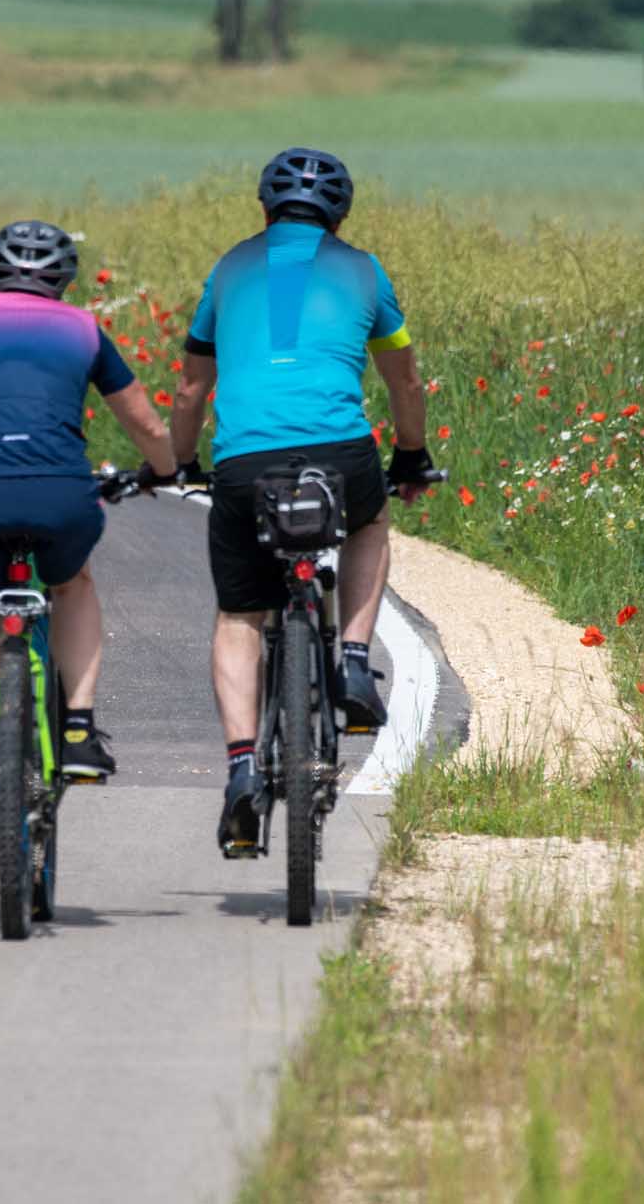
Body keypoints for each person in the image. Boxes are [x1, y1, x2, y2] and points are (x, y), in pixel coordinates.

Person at [166, 148, 435, 854]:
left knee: (239, 615)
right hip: (340, 453)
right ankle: (351, 655)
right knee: (372, 520)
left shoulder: (227, 269)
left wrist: (184, 462)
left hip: (245, 463)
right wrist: (411, 453)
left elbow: (191, 389)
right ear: (341, 215)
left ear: (264, 209)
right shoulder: (365, 270)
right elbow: (405, 383)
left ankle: (241, 769)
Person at [0, 221, 178, 848]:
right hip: (60, 493)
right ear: (65, 277)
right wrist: (164, 471)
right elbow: (147, 425)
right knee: (73, 586)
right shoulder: (83, 330)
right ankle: (77, 729)